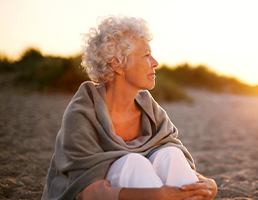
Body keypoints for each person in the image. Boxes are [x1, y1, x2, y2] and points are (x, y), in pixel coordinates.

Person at [42, 15, 217, 200]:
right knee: (133, 163)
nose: (155, 62)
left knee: (170, 154)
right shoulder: (82, 114)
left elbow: (176, 163)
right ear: (118, 63)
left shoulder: (150, 110)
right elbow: (88, 192)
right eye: (146, 55)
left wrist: (206, 184)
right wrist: (156, 195)